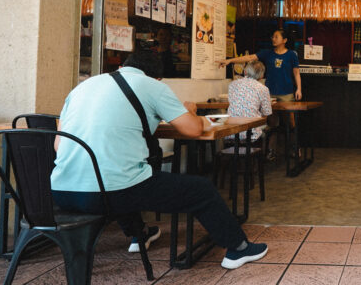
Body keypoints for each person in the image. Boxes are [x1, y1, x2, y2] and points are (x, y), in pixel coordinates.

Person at [51, 51, 267, 270]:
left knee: (124, 172)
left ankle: (139, 234)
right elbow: (192, 129)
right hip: (111, 193)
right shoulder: (151, 86)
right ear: (157, 78)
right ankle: (238, 248)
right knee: (201, 189)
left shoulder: (82, 87)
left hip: (62, 192)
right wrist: (190, 111)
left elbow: (58, 146)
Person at [218, 29, 301, 159]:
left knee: (290, 122)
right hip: (270, 92)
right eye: (273, 36)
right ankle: (271, 151)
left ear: (284, 40)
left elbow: (296, 73)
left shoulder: (291, 55)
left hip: (287, 92)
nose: (273, 39)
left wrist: (299, 89)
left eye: (276, 37)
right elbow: (250, 57)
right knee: (272, 122)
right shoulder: (267, 53)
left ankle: (294, 149)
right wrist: (230, 61)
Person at [228, 60, 272, 141]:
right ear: (261, 75)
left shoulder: (232, 84)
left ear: (245, 72)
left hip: (230, 132)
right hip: (251, 133)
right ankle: (263, 153)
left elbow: (231, 102)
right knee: (269, 128)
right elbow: (266, 112)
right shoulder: (263, 89)